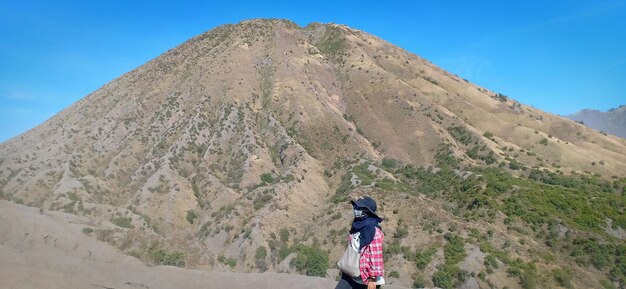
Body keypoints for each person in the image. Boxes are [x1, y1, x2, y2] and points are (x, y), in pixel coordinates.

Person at [335, 196, 385, 289]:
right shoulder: (357, 226)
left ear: (367, 212)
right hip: (350, 274)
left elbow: (376, 256)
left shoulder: (373, 231)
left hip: (366, 279)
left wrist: (373, 279)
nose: (356, 210)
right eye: (356, 207)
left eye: (360, 209)